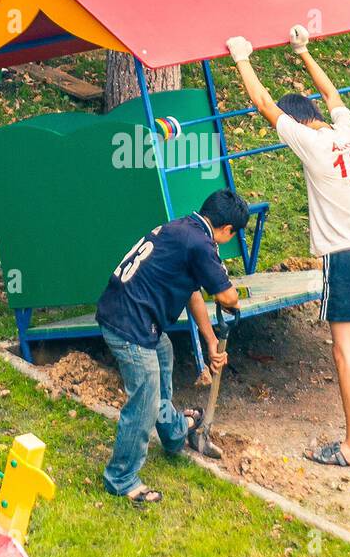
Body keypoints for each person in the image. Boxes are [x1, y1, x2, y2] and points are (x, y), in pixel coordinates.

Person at [225, 28, 350, 466]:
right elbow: (332, 91)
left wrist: (241, 59)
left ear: (298, 122)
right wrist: (305, 52)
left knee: (344, 349)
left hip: (345, 259)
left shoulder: (309, 144)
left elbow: (263, 104)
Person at [95, 189, 247, 503]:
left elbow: (193, 293)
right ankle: (121, 479)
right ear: (228, 231)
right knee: (145, 399)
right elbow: (227, 297)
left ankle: (176, 432)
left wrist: (210, 342)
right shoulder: (201, 245)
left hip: (130, 316)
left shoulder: (182, 230)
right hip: (129, 325)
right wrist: (232, 301)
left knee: (164, 353)